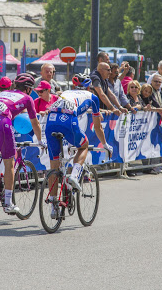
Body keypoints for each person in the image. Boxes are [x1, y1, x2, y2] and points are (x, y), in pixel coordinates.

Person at [45, 73, 112, 217]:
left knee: (54, 164)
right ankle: (74, 175)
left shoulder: (65, 93)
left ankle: (53, 206)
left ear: (75, 85)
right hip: (68, 120)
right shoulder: (93, 97)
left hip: (50, 121)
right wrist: (106, 144)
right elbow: (98, 127)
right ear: (89, 87)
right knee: (83, 145)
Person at [0, 73, 44, 214]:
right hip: (2, 122)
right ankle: (8, 203)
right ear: (28, 89)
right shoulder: (27, 98)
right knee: (9, 164)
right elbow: (35, 123)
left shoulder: (5, 92)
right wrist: (40, 141)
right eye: (31, 89)